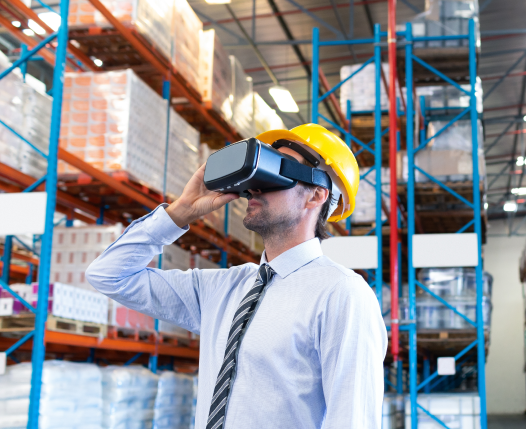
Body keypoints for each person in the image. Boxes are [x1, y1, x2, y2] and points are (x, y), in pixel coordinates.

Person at [86, 124, 387, 429]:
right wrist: (180, 212)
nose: (254, 187)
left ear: (316, 196)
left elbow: (353, 420)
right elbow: (109, 275)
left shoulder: (342, 293)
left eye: (275, 173)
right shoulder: (222, 288)